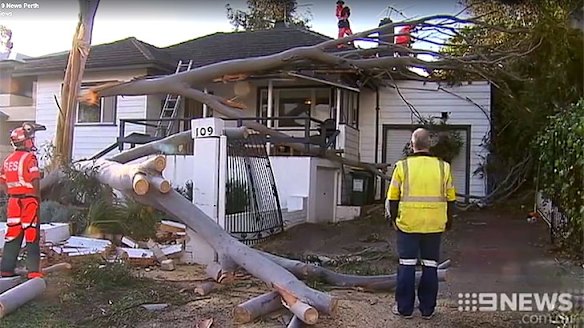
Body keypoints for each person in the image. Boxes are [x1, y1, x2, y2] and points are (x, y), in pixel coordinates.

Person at [386, 128, 456, 319]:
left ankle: (405, 308)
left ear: (412, 144)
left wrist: (393, 220)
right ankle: (427, 309)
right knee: (430, 266)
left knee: (407, 265)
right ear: (429, 144)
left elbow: (392, 198)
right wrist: (449, 221)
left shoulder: (402, 167)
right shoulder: (444, 168)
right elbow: (451, 199)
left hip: (408, 224)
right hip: (434, 224)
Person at [0, 123, 43, 279]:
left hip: (13, 202)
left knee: (12, 235)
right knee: (31, 235)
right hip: (29, 200)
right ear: (26, 141)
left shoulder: (8, 160)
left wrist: (10, 194)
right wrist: (38, 198)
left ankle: (5, 269)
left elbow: (2, 180)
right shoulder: (30, 158)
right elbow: (35, 179)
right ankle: (34, 272)